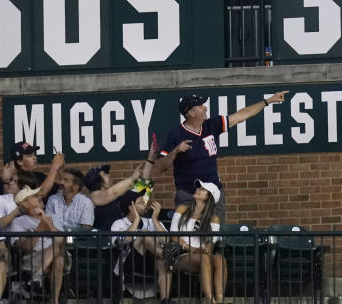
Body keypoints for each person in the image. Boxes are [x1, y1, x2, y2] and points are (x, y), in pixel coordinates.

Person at [155, 90, 289, 218]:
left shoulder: (212, 125)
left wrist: (268, 101)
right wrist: (175, 151)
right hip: (189, 195)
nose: (205, 108)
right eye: (201, 105)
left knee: (215, 236)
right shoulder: (176, 135)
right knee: (188, 237)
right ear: (191, 112)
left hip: (214, 194)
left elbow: (241, 116)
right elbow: (160, 166)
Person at [6, 186, 66, 303]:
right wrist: (39, 229)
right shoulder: (18, 222)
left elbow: (61, 239)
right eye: (34, 196)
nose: (39, 197)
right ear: (25, 204)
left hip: (55, 254)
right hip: (33, 257)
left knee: (59, 241)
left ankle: (37, 275)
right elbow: (24, 248)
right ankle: (55, 301)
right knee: (59, 260)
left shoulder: (51, 217)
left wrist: (46, 222)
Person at [169, 181, 225, 304]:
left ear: (209, 197)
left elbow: (211, 244)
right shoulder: (182, 209)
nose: (198, 189)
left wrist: (205, 249)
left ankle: (220, 300)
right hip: (182, 254)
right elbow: (173, 236)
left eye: (203, 189)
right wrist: (193, 249)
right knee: (204, 258)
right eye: (199, 187)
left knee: (220, 259)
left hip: (202, 255)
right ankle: (211, 301)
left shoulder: (213, 218)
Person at [112, 189, 170, 304]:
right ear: (131, 207)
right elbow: (121, 241)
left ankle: (165, 300)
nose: (145, 204)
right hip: (130, 265)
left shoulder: (152, 221)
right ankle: (165, 254)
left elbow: (167, 240)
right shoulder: (119, 223)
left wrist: (154, 219)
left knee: (162, 258)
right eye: (141, 202)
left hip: (152, 264)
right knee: (144, 235)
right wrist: (136, 220)